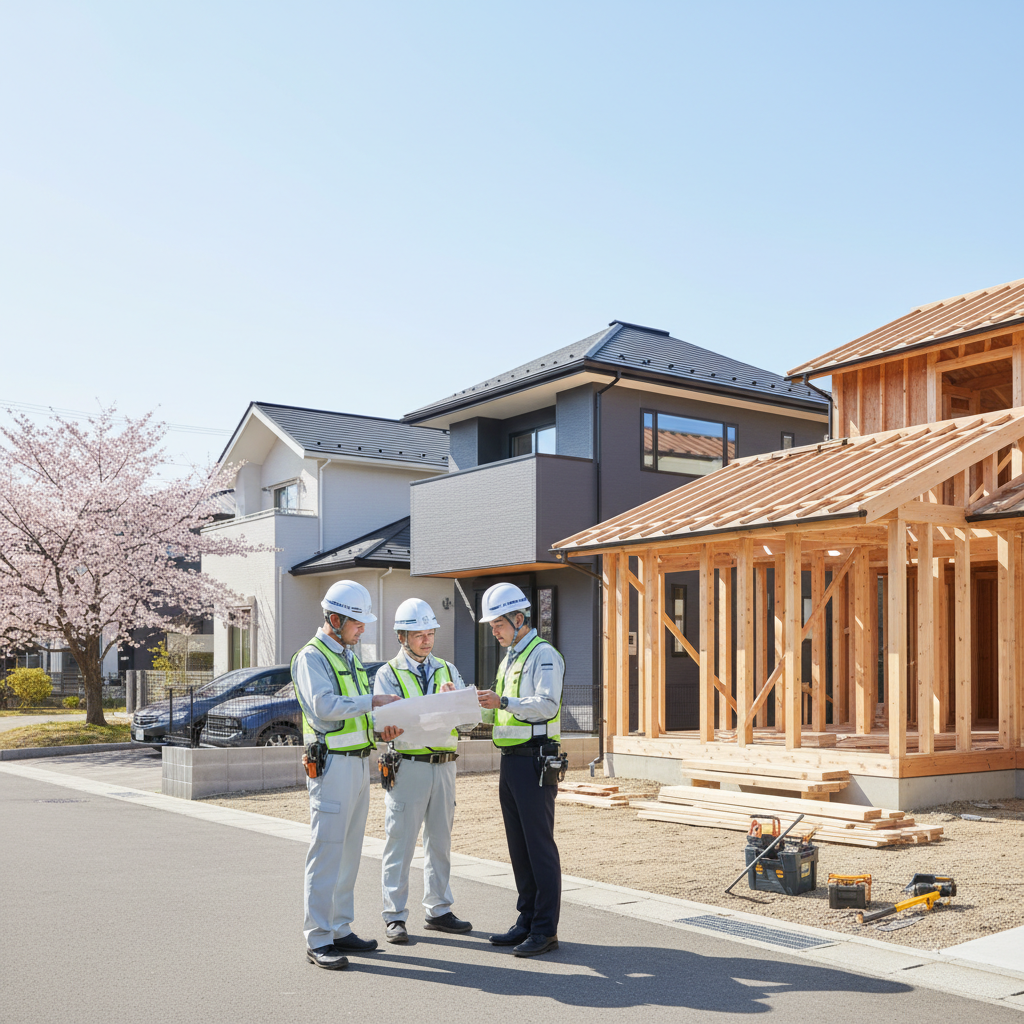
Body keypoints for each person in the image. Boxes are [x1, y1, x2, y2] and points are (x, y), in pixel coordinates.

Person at [292, 579, 402, 970]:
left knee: (349, 852)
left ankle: (339, 927)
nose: (363, 629)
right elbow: (324, 707)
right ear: (335, 619)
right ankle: (318, 938)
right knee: (326, 853)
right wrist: (371, 701)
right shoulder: (312, 657)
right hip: (332, 765)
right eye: (357, 622)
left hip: (356, 761)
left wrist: (380, 726)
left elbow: (355, 714)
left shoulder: (348, 656)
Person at [373, 598, 473, 944]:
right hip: (409, 766)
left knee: (440, 842)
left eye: (430, 633)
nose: (427, 640)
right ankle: (394, 916)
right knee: (399, 843)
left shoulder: (448, 669)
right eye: (419, 634)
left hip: (444, 766)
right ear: (402, 636)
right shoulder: (387, 673)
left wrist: (455, 700)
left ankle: (439, 909)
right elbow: (381, 722)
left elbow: (471, 720)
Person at [476, 582, 564, 958]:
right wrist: (466, 703)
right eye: (492, 625)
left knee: (539, 848)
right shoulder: (511, 657)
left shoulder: (543, 655)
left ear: (518, 618)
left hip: (534, 760)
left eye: (497, 623)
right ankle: (526, 920)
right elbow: (499, 711)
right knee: (519, 848)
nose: (493, 631)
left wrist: (505, 700)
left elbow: (546, 705)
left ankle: (545, 930)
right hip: (512, 761)